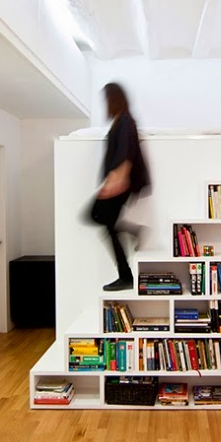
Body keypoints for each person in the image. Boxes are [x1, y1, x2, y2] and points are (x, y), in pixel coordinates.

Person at [90, 83, 150, 291]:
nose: (106, 103)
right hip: (119, 180)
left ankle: (125, 276)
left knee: (99, 217)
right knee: (103, 220)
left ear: (114, 98)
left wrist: (116, 180)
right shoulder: (120, 120)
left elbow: (126, 152)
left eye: (107, 98)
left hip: (123, 182)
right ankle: (134, 232)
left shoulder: (125, 120)